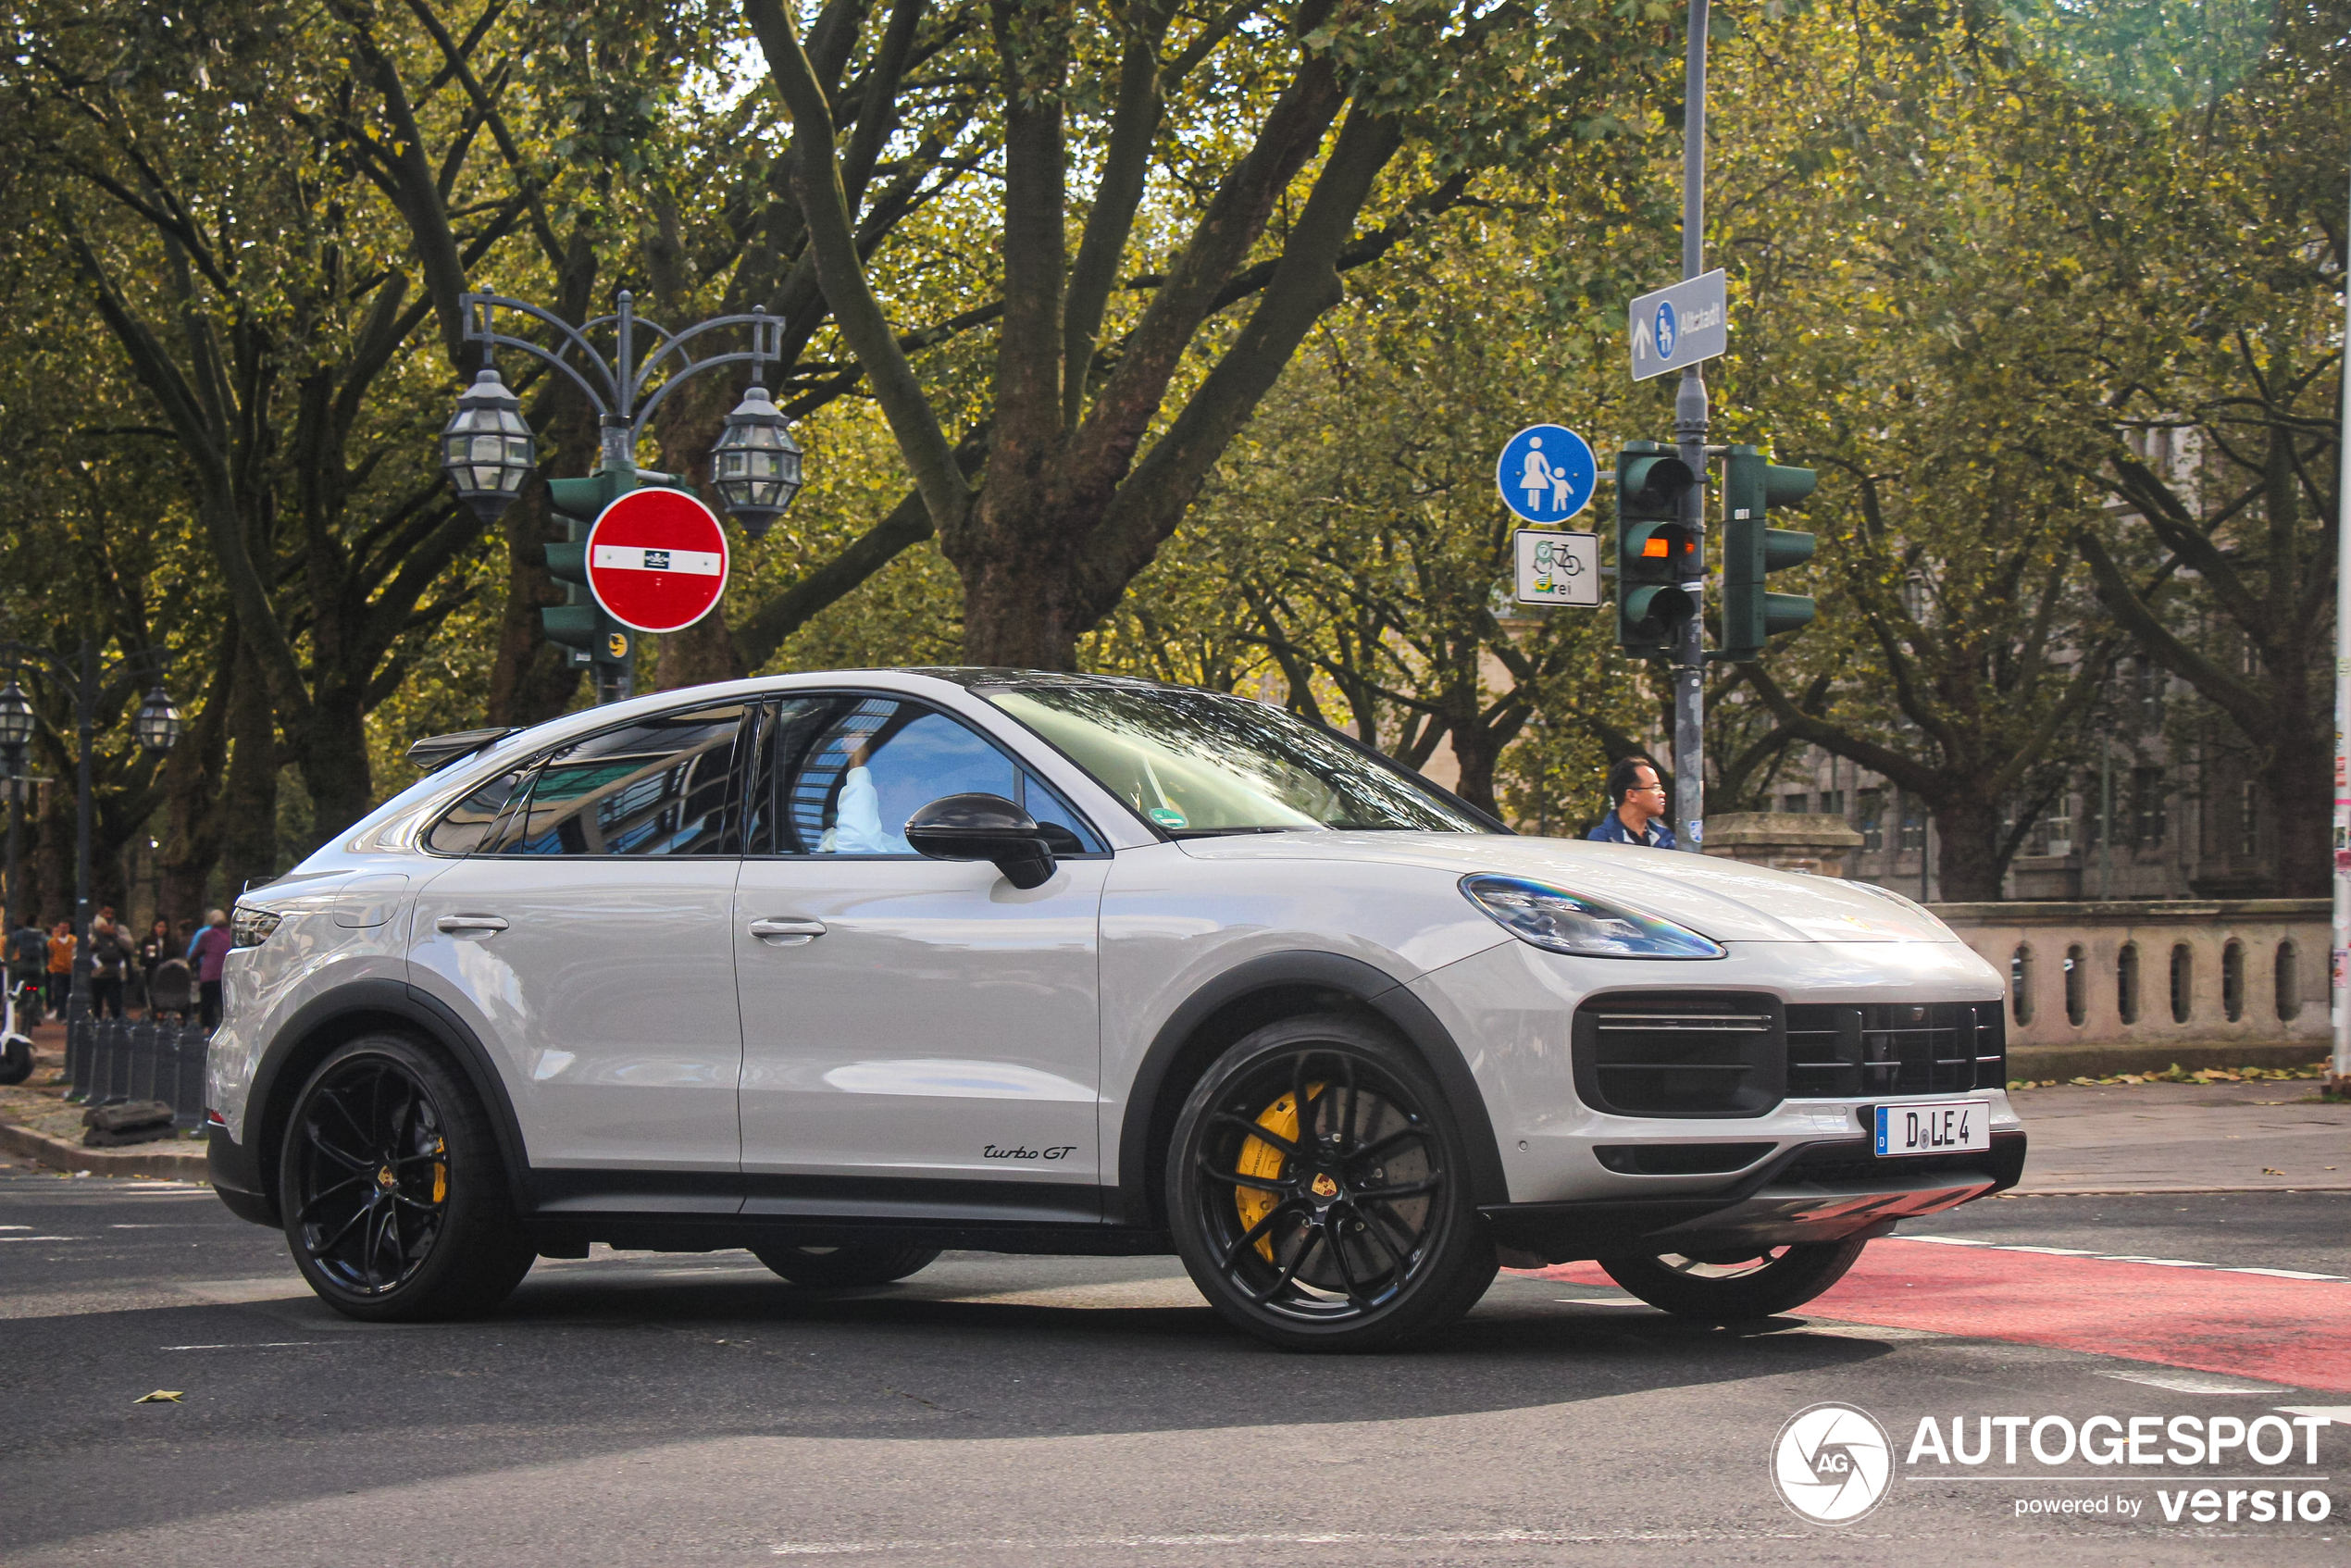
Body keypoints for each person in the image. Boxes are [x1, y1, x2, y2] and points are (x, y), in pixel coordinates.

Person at [1586, 756, 1677, 850]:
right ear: (1631, 795)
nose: (1662, 794)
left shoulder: (1665, 839)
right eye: (1654, 788)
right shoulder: (1602, 839)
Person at [190, 908, 233, 1030]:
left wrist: (191, 962)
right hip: (226, 973)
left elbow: (195, 954)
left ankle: (207, 1027)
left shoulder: (206, 936)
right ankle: (225, 1026)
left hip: (209, 975)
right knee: (224, 1002)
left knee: (207, 1002)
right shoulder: (230, 934)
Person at [86, 907, 131, 1020]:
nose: (109, 916)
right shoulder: (90, 928)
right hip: (95, 974)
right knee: (95, 1006)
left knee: (115, 1005)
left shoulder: (120, 929)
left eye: (112, 913)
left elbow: (130, 947)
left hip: (114, 973)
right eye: (106, 913)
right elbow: (80, 950)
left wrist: (115, 935)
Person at [137, 918, 171, 1014]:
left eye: (164, 927)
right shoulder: (148, 941)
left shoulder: (170, 942)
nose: (162, 929)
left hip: (166, 972)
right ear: (154, 927)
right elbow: (143, 959)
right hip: (152, 971)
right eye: (159, 926)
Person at [44, 919, 74, 1016]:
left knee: (70, 994)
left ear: (69, 928)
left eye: (65, 928)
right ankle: (61, 1015)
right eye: (62, 928)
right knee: (60, 993)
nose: (63, 930)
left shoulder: (73, 940)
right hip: (58, 971)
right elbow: (49, 956)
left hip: (71, 971)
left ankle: (69, 1014)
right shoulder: (52, 942)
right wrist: (52, 968)